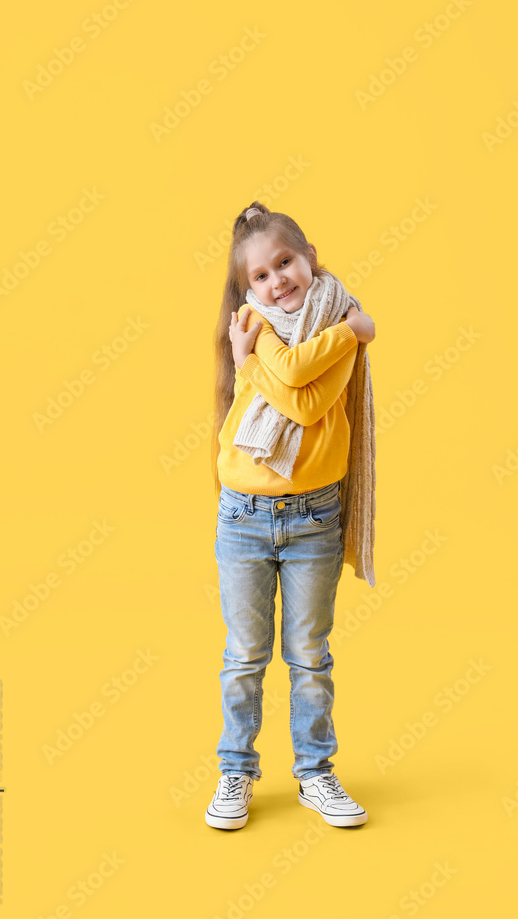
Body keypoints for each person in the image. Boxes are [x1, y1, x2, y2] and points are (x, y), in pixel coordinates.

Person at [205, 201, 377, 830]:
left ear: (310, 259)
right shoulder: (300, 326)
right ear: (245, 289)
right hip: (244, 514)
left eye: (285, 262)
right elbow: (289, 378)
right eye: (260, 275)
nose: (277, 281)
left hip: (313, 517)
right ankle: (235, 773)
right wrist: (255, 361)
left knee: (309, 655)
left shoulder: (333, 315)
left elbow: (305, 402)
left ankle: (316, 774)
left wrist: (261, 360)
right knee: (245, 654)